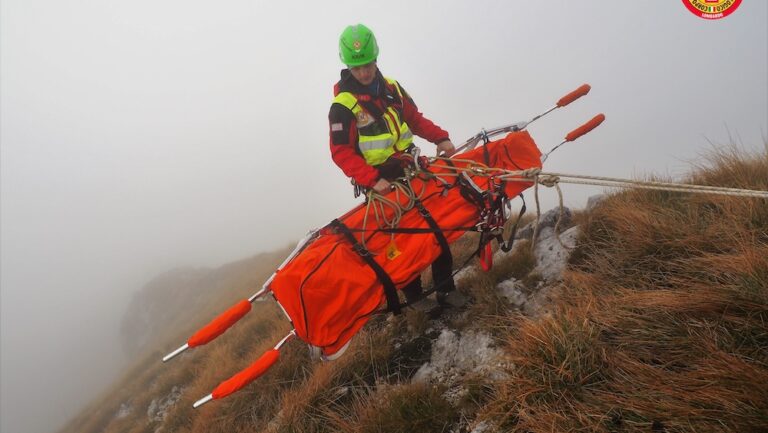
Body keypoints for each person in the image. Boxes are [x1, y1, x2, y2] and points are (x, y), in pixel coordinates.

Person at [328, 23, 463, 308]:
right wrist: (372, 180)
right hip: (381, 181)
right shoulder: (343, 106)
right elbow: (341, 152)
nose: (364, 72)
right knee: (403, 242)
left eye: (368, 64)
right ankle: (415, 297)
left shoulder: (392, 88)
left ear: (376, 59)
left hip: (411, 168)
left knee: (435, 228)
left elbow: (414, 119)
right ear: (347, 67)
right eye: (357, 68)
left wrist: (441, 138)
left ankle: (446, 290)